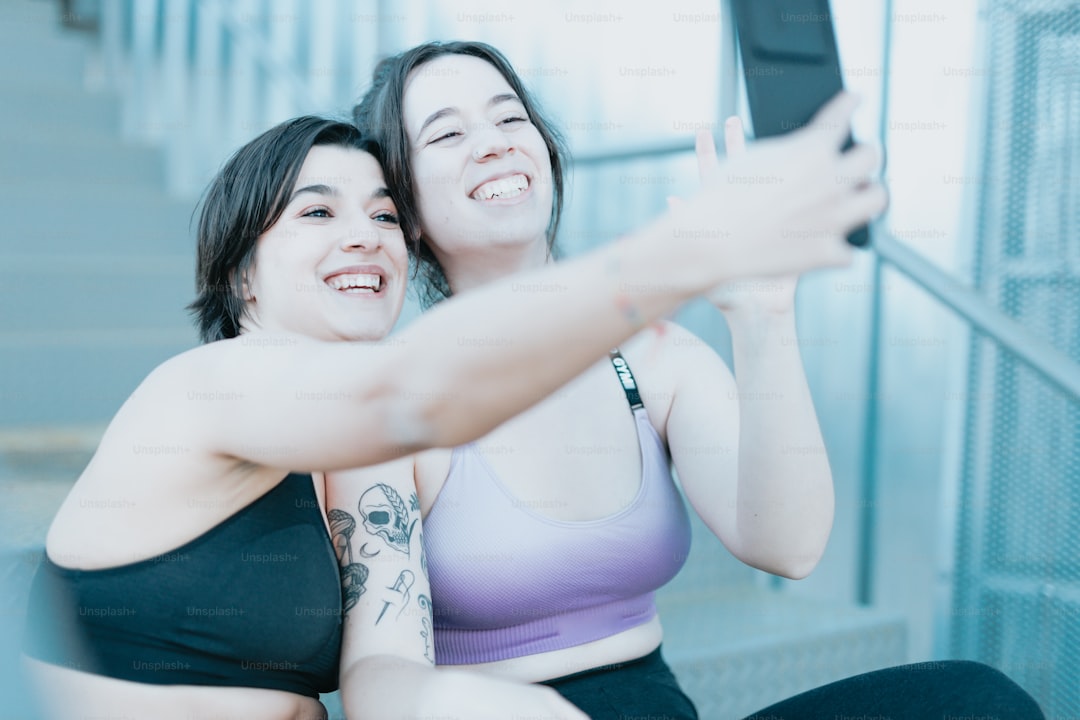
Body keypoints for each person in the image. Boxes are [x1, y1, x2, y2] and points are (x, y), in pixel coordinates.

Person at [19, 96, 876, 720]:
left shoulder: (331, 443)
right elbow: (416, 396)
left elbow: (785, 541)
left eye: (384, 215)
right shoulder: (207, 389)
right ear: (241, 272)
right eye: (317, 211)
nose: (364, 235)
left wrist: (759, 312)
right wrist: (688, 252)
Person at [340, 40, 1044, 719]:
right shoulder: (403, 405)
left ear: (545, 151)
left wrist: (764, 317)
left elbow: (786, 545)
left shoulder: (652, 362)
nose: (493, 142)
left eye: (509, 116)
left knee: (975, 700)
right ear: (402, 204)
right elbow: (381, 677)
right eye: (446, 134)